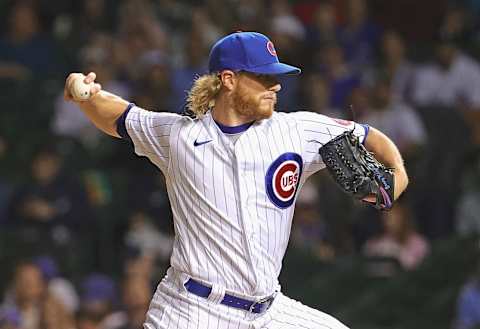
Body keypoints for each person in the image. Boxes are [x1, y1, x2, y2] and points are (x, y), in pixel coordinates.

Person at [64, 31, 408, 329]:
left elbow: (369, 135)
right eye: (262, 77)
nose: (275, 85)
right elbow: (120, 117)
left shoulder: (296, 131)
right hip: (192, 310)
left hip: (269, 311)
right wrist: (85, 96)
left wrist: (397, 175)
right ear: (228, 79)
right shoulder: (180, 137)